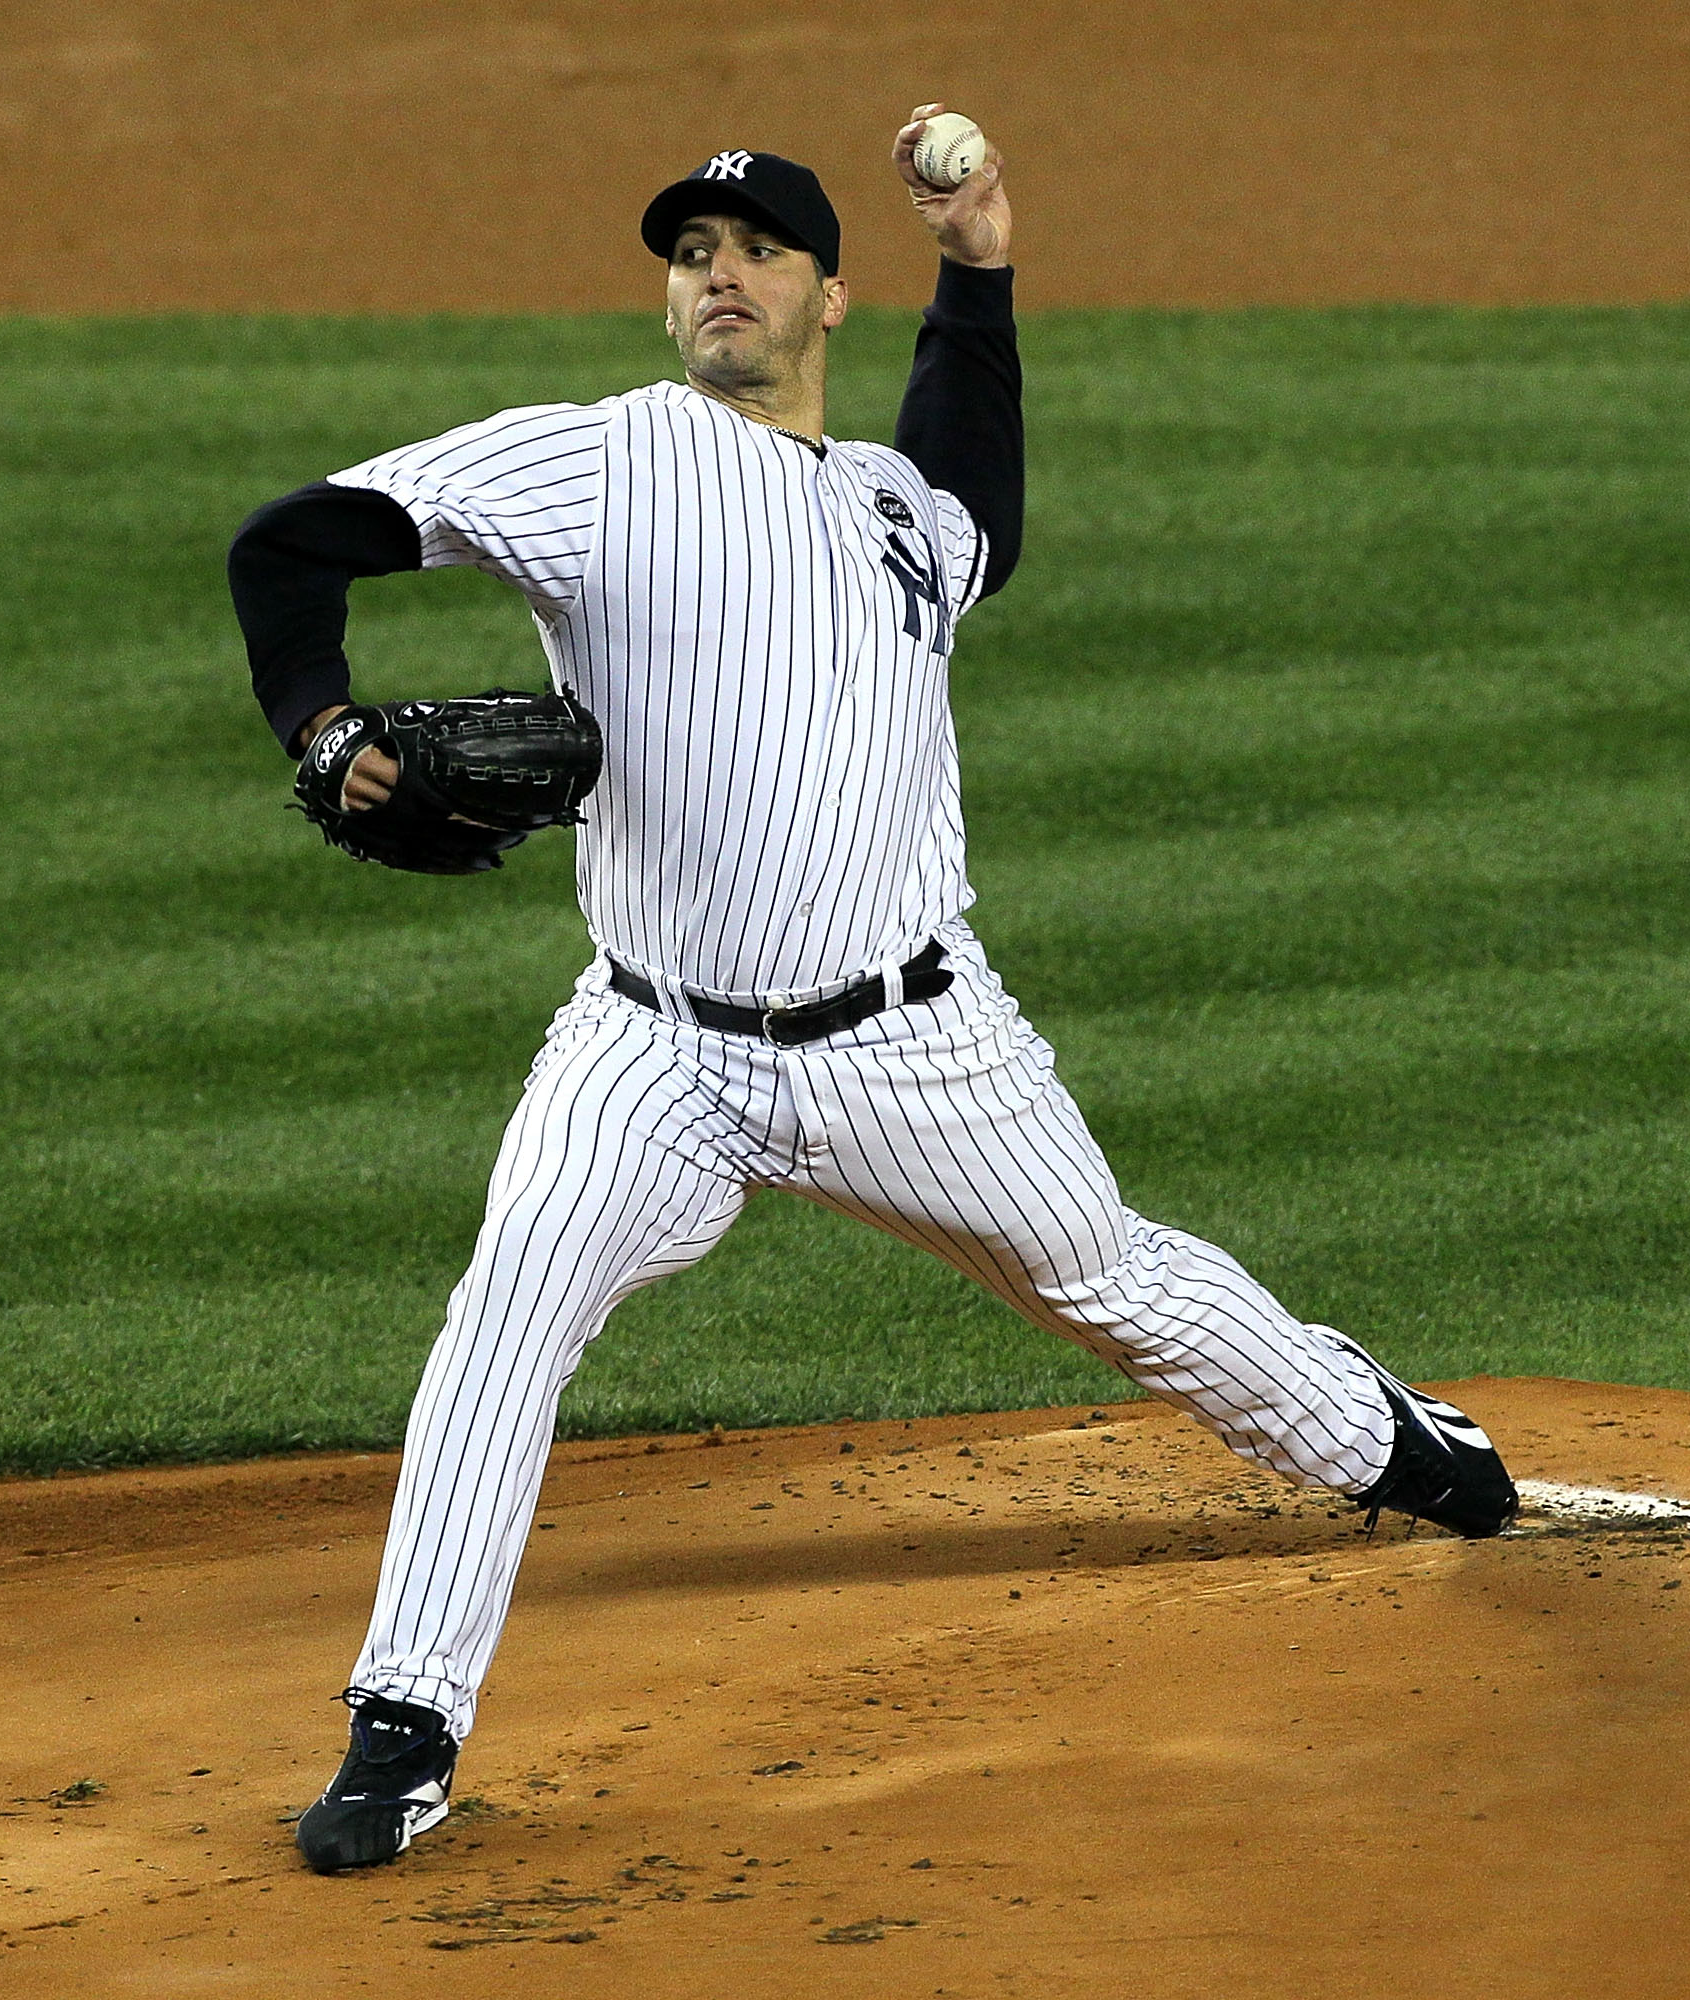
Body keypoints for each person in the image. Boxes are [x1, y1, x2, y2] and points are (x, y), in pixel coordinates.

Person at [224, 106, 1519, 1876]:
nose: (720, 278)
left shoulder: (895, 512)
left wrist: (979, 264)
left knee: (1112, 1283)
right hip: (651, 1047)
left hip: (921, 1044)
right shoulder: (602, 465)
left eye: (756, 253)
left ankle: (1380, 1435)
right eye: (691, 257)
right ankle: (406, 1726)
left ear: (828, 296)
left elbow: (976, 488)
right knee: (504, 1321)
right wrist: (327, 725)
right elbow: (290, 546)